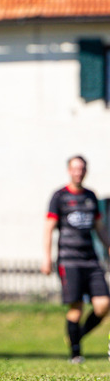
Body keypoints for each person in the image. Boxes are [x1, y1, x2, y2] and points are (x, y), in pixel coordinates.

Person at [41, 155, 110, 363]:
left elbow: (99, 228)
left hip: (91, 259)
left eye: (82, 169)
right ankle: (75, 353)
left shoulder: (90, 196)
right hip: (68, 260)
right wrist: (46, 257)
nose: (78, 172)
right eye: (75, 169)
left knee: (103, 305)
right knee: (76, 307)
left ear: (85, 171)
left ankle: (76, 336)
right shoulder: (59, 197)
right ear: (69, 171)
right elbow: (48, 228)